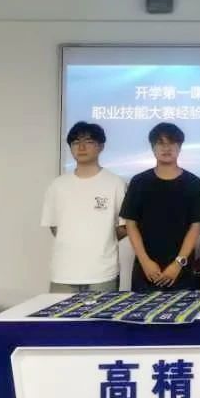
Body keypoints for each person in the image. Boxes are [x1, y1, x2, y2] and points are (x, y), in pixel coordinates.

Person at [41, 121, 126, 293]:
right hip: (64, 272)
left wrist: (103, 239)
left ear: (101, 146)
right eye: (75, 142)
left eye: (88, 142)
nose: (81, 147)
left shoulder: (115, 183)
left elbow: (124, 227)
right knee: (60, 312)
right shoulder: (57, 185)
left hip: (102, 272)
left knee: (102, 312)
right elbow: (54, 226)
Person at [120, 123, 200, 292]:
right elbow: (131, 224)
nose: (166, 148)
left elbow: (196, 226)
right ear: (153, 148)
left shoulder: (193, 183)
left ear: (179, 147)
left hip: (181, 272)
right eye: (160, 143)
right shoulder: (139, 182)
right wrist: (145, 261)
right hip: (145, 271)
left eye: (172, 143)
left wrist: (178, 263)